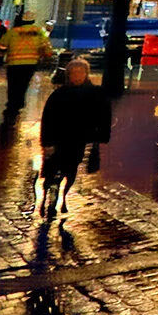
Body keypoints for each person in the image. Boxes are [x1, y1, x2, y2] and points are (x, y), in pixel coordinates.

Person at [38, 57, 112, 220]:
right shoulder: (59, 94)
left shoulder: (96, 93)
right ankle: (50, 199)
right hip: (59, 138)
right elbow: (48, 118)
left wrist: (100, 136)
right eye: (74, 73)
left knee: (70, 170)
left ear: (86, 74)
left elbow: (104, 116)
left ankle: (61, 197)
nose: (77, 76)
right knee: (52, 172)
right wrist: (47, 142)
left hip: (78, 139)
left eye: (80, 72)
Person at [2, 13, 53, 119]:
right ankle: (19, 103)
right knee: (23, 84)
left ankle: (12, 104)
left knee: (13, 85)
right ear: (33, 21)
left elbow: (2, 44)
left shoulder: (13, 32)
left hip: (13, 63)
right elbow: (46, 46)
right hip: (30, 63)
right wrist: (47, 55)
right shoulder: (39, 32)